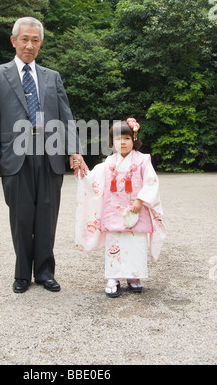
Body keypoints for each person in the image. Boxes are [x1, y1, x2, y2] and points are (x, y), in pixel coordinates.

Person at [0, 17, 87, 294]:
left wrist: (74, 150)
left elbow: (66, 116)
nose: (30, 45)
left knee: (47, 215)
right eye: (25, 39)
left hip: (49, 153)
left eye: (35, 40)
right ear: (14, 40)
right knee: (21, 216)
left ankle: (44, 272)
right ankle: (21, 274)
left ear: (41, 43)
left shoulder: (52, 77)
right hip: (14, 154)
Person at [74, 119, 166, 298]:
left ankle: (134, 277)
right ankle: (113, 278)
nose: (122, 142)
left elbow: (151, 182)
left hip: (136, 210)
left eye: (126, 138)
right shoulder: (108, 163)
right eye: (117, 139)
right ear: (112, 142)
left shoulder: (142, 161)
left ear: (134, 140)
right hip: (114, 212)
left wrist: (141, 199)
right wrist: (82, 171)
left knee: (136, 244)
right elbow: (93, 182)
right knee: (114, 245)